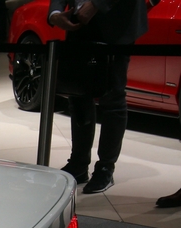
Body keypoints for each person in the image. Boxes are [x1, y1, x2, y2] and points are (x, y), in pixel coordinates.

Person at [49, 0, 148, 194]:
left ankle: (105, 168)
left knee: (112, 97)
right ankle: (78, 163)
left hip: (117, 22)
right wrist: (55, 12)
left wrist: (96, 3)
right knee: (78, 94)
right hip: (79, 22)